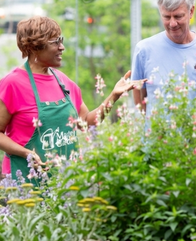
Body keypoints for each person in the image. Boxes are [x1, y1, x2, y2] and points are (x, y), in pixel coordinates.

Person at [0, 16, 145, 182]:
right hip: (23, 182)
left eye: (61, 41)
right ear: (34, 47)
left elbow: (87, 121)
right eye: (55, 42)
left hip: (63, 182)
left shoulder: (62, 81)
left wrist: (114, 95)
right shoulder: (12, 84)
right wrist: (26, 153)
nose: (62, 47)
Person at [131, 0, 196, 126]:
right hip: (158, 144)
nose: (172, 23)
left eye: (178, 16)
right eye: (166, 17)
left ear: (191, 11)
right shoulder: (144, 50)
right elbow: (140, 100)